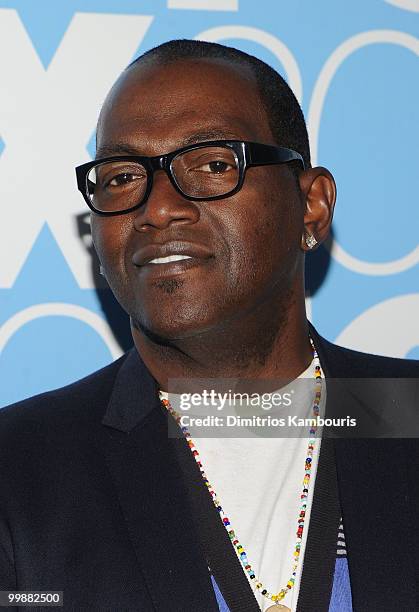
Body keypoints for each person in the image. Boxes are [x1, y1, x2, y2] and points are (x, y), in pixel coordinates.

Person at [0, 39, 418, 612]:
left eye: (214, 165)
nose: (158, 207)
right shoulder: (20, 469)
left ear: (312, 205)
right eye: (121, 176)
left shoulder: (407, 414)